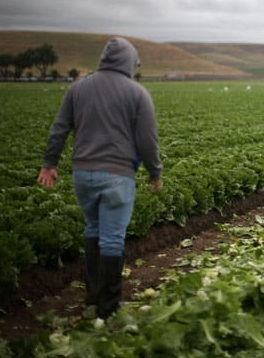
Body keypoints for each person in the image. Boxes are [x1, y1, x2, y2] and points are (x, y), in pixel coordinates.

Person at [37, 37, 163, 319]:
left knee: (93, 228)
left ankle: (93, 297)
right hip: (117, 175)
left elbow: (59, 128)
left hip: (82, 174)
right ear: (130, 62)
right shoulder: (137, 93)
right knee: (113, 239)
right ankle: (108, 308)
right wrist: (155, 172)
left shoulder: (78, 88)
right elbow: (147, 140)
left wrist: (49, 164)